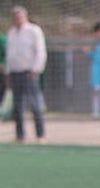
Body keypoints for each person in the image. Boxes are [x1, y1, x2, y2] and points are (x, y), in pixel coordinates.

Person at [5, 6, 47, 144]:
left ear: (25, 17)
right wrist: (8, 71)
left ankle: (40, 134)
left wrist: (36, 68)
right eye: (15, 17)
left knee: (34, 104)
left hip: (29, 72)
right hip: (15, 72)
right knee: (17, 106)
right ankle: (20, 135)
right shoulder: (11, 32)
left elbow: (40, 51)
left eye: (19, 17)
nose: (17, 20)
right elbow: (9, 54)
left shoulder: (33, 30)